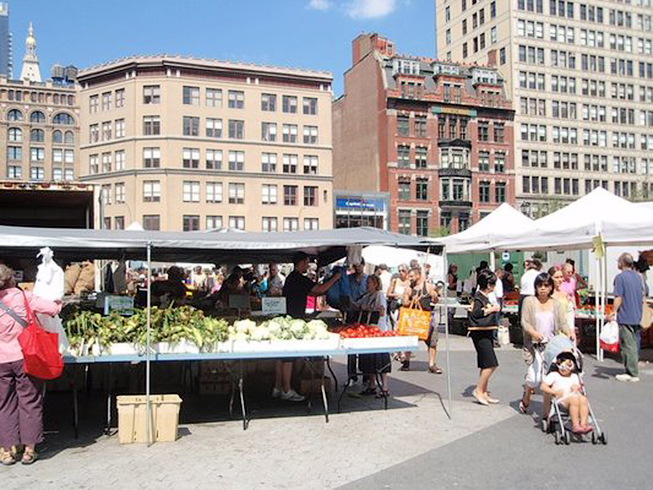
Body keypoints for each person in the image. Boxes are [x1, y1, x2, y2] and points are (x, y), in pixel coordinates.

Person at [0, 264, 61, 465]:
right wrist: (58, 302)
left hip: (1, 361)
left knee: (4, 404)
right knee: (29, 402)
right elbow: (53, 308)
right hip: (25, 357)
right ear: (11, 279)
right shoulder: (24, 297)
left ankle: (7, 451)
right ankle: (29, 450)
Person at [278, 252, 341, 401]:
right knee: (288, 356)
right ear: (301, 262)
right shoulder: (298, 278)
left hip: (288, 317)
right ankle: (286, 390)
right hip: (293, 320)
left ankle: (278, 387)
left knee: (282, 357)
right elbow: (319, 290)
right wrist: (335, 279)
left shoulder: (291, 278)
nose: (308, 265)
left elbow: (313, 292)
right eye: (307, 262)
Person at [519, 273, 573, 415]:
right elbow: (524, 321)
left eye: (546, 286)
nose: (543, 289)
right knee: (534, 378)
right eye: (540, 285)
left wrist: (569, 333)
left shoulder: (555, 304)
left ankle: (546, 413)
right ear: (535, 287)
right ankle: (526, 394)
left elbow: (562, 322)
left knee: (547, 378)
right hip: (534, 345)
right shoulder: (529, 301)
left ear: (550, 288)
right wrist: (533, 333)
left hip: (551, 346)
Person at [353, 275, 391, 397]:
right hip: (368, 331)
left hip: (378, 331)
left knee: (381, 359)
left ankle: (385, 388)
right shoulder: (367, 296)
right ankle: (372, 385)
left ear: (375, 283)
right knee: (369, 359)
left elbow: (381, 311)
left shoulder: (379, 295)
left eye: (369, 282)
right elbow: (357, 305)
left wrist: (369, 308)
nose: (367, 285)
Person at [468, 270, 501, 406]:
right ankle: (479, 390)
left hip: (485, 331)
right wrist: (492, 309)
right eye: (493, 283)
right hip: (480, 333)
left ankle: (484, 392)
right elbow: (476, 313)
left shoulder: (484, 297)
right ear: (488, 284)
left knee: (485, 364)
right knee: (491, 363)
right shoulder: (478, 298)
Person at [610, 253, 644, 383]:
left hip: (626, 315)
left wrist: (613, 311)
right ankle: (632, 369)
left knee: (627, 344)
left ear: (622, 263)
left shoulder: (620, 278)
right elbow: (643, 294)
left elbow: (618, 297)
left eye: (618, 261)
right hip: (637, 313)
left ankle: (631, 372)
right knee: (634, 342)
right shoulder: (638, 277)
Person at [400, 267, 440, 373]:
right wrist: (411, 301)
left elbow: (435, 300)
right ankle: (407, 361)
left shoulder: (427, 286)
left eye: (412, 276)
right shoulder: (409, 289)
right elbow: (404, 303)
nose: (410, 278)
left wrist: (434, 296)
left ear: (418, 275)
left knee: (432, 342)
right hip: (413, 318)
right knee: (409, 340)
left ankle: (431, 364)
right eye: (409, 276)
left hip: (426, 317)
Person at [540, 354, 593, 434]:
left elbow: (578, 387)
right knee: (574, 400)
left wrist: (576, 387)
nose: (563, 369)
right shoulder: (554, 375)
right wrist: (554, 392)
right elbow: (543, 386)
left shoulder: (574, 376)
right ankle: (575, 425)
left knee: (583, 399)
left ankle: (583, 424)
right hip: (561, 400)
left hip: (574, 396)